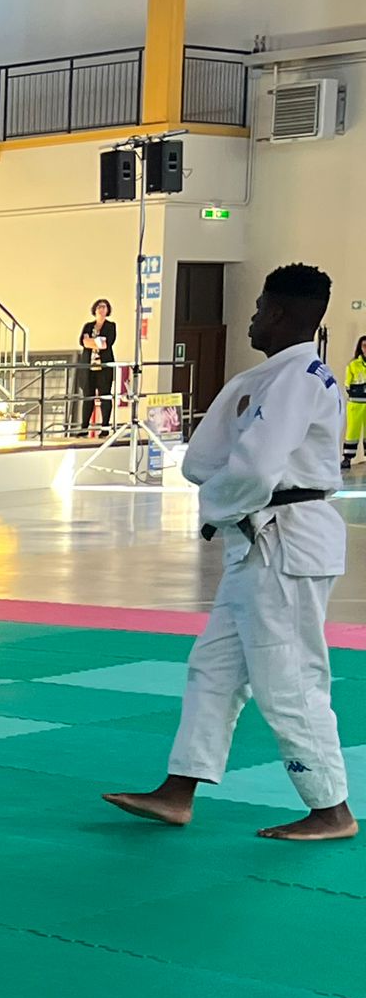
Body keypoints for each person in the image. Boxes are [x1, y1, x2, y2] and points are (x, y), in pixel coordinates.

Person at [104, 264, 354, 842]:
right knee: (214, 668)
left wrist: (218, 508)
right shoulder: (264, 378)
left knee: (289, 679)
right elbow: (199, 461)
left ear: (283, 314)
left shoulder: (298, 379)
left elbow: (258, 467)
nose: (253, 315)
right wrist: (223, 503)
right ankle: (179, 789)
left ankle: (331, 809)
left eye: (261, 306)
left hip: (283, 541)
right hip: (257, 542)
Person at [78, 297, 117, 436]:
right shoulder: (88, 326)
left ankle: (105, 428)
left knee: (105, 396)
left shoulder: (111, 326)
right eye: (99, 307)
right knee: (88, 397)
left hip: (104, 367)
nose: (101, 309)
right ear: (94, 310)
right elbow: (83, 342)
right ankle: (83, 429)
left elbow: (106, 344)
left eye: (104, 307)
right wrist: (96, 342)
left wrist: (91, 341)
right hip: (89, 366)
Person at [345, 334, 366, 471]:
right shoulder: (353, 365)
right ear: (360, 348)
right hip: (356, 404)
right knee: (352, 431)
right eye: (364, 346)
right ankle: (347, 458)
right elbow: (348, 385)